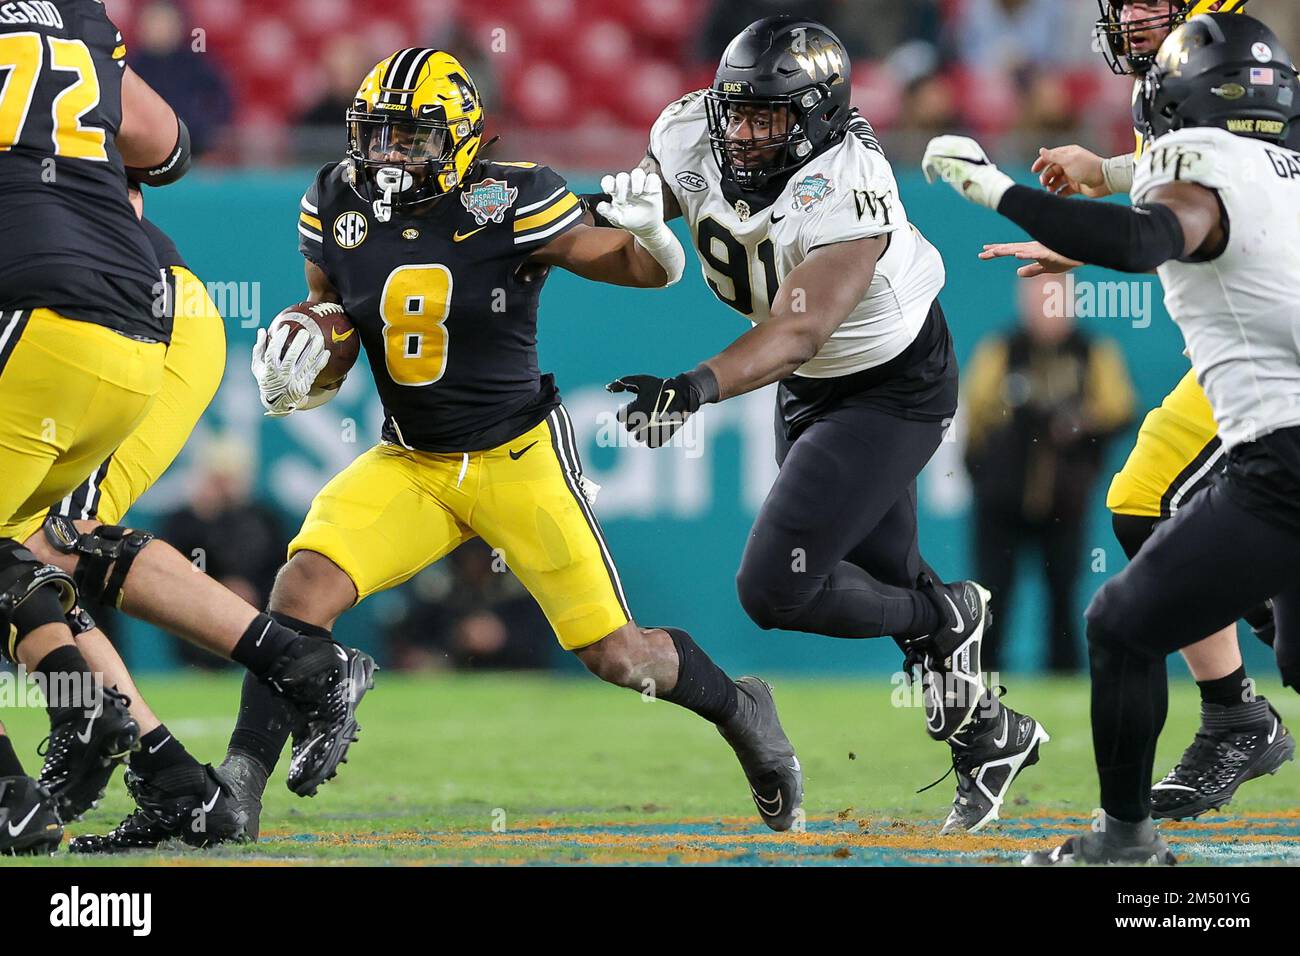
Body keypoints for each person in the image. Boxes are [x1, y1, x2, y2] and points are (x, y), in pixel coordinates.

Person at [205, 48, 802, 841]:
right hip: (410, 460)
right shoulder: (333, 198)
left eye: (410, 139)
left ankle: (740, 706)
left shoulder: (510, 196)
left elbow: (638, 269)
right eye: (378, 135)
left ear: (460, 140)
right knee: (299, 591)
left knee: (621, 657)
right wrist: (307, 359)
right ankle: (239, 782)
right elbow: (334, 315)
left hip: (515, 455)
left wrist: (654, 235)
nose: (387, 156)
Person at [600, 16, 1049, 834]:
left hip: (889, 382)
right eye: (733, 111)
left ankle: (948, 618)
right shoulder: (685, 132)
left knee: (777, 587)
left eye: (767, 116)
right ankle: (991, 736)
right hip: (812, 384)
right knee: (893, 574)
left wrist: (695, 388)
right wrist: (608, 218)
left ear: (815, 116)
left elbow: (799, 328)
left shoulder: (852, 181)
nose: (741, 131)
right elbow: (632, 242)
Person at [924, 12, 1300, 864]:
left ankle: (1134, 836)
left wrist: (998, 187)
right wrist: (1091, 219)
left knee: (1125, 617)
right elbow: (1212, 226)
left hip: (1283, 440)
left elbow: (1156, 230)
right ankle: (1237, 707)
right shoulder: (1277, 154)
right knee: (1149, 509)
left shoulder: (1204, 152)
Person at [964, 274, 1135, 671]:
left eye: (1054, 299)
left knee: (1063, 591)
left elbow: (1120, 408)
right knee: (992, 593)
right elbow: (975, 413)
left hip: (1065, 500)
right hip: (1002, 497)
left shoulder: (1092, 352)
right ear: (1023, 302)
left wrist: (1081, 422)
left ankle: (1064, 674)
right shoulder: (1002, 350)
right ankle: (984, 675)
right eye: (1038, 299)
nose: (1046, 309)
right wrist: (983, 474)